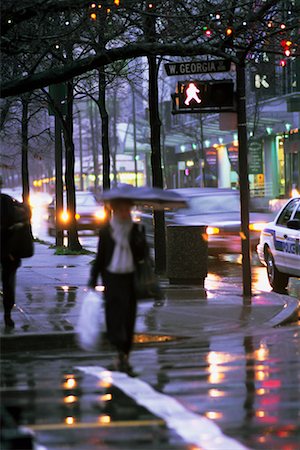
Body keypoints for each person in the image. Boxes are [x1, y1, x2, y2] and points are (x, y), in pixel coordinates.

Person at [88, 199, 149, 375]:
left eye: (127, 210)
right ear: (115, 211)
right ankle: (118, 346)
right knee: (114, 314)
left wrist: (139, 241)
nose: (124, 213)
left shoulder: (136, 230)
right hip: (112, 278)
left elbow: (143, 255)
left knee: (129, 315)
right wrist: (94, 277)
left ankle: (125, 351)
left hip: (130, 277)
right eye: (120, 210)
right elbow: (100, 257)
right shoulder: (107, 231)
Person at [0, 194, 29, 328]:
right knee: (8, 285)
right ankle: (7, 315)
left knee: (8, 284)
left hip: (8, 253)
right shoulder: (8, 201)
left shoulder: (7, 202)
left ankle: (7, 314)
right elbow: (25, 213)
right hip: (9, 254)